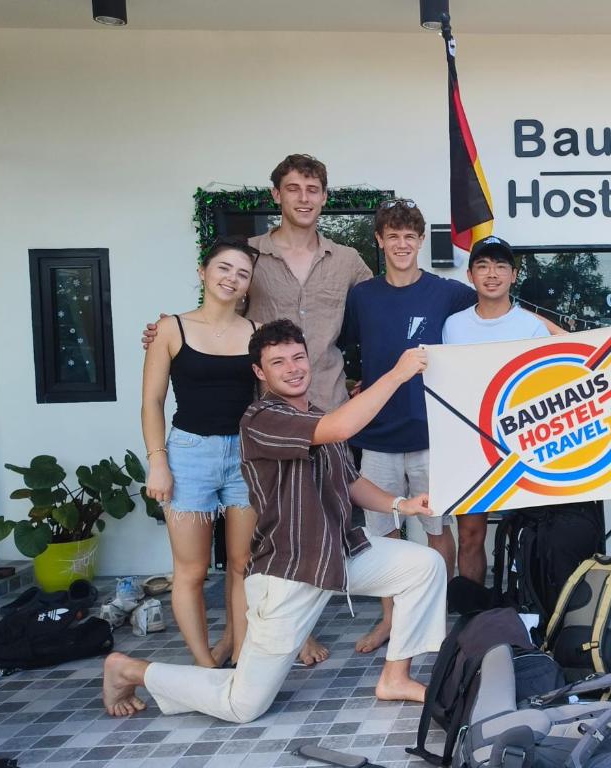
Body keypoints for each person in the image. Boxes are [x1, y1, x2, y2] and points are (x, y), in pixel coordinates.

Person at [103, 320, 447, 721]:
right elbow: (341, 426)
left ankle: (395, 678)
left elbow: (350, 481)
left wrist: (401, 504)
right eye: (278, 362)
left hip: (338, 553)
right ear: (259, 372)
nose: (293, 367)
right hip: (290, 570)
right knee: (243, 705)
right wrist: (398, 373)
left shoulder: (315, 415)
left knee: (423, 566)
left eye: (298, 357)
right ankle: (129, 669)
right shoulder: (263, 418)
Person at [142, 153, 368, 666]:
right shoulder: (251, 256)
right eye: (293, 188)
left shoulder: (350, 260)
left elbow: (368, 318)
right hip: (263, 423)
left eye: (313, 189)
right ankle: (240, 646)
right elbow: (216, 317)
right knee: (268, 539)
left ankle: (267, 636)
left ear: (325, 197)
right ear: (277, 196)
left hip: (327, 404)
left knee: (303, 527)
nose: (304, 198)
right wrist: (163, 333)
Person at [339, 199, 476, 653]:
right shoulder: (362, 296)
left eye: (409, 236)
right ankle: (391, 622)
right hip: (377, 437)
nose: (401, 244)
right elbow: (343, 350)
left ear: (420, 241)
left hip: (432, 435)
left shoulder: (449, 293)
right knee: (384, 536)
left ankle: (435, 618)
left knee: (438, 529)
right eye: (392, 236)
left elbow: (493, 319)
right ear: (378, 241)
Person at [141, 238, 259, 668]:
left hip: (244, 458)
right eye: (224, 268)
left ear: (248, 286)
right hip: (189, 455)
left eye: (242, 274)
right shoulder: (170, 329)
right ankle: (206, 665)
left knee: (243, 564)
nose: (232, 279)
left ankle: (244, 660)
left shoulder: (255, 332)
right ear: (203, 272)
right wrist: (158, 462)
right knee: (190, 571)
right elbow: (152, 401)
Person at [441, 235, 549, 583]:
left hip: (523, 444)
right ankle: (473, 616)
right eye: (483, 266)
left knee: (528, 533)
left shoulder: (531, 326)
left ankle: (529, 610)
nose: (492, 273)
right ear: (470, 275)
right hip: (469, 447)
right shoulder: (454, 325)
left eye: (501, 266)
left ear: (514, 274)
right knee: (471, 534)